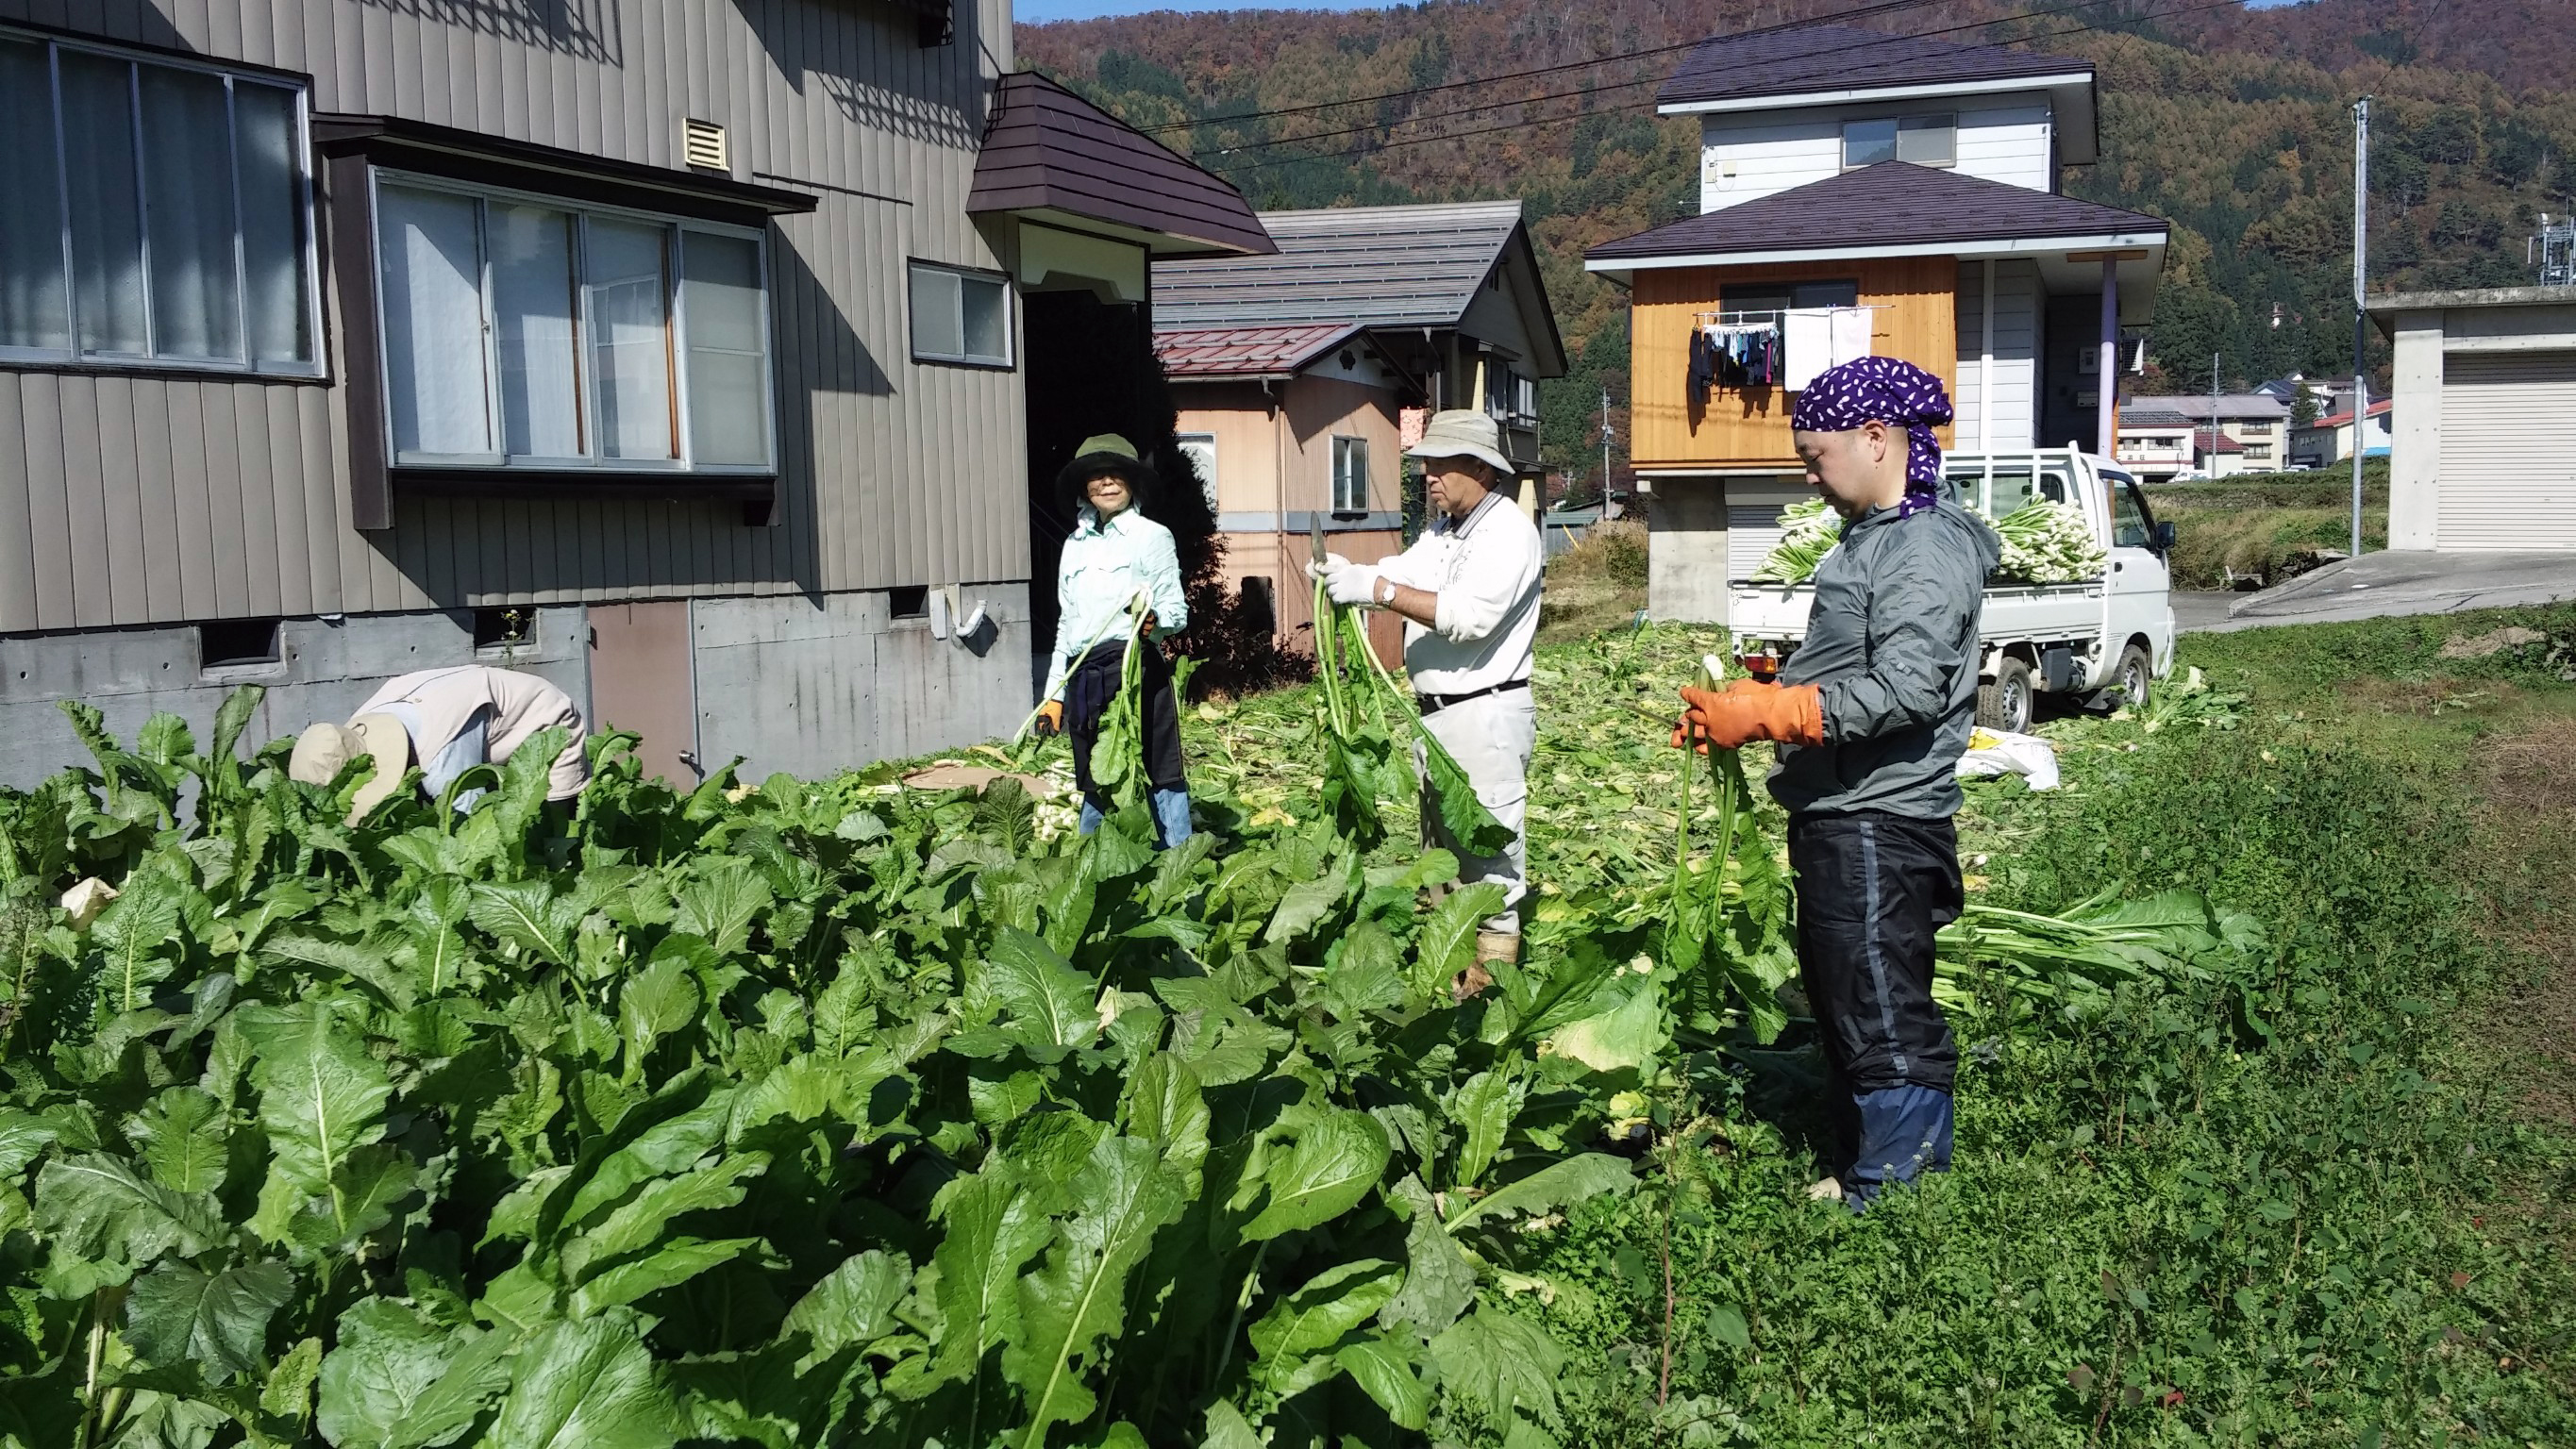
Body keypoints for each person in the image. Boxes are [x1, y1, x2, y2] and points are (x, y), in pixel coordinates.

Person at [1674, 357, 2000, 1210]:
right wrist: (1749, 701)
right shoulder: (1877, 536)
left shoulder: (1923, 548)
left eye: (1818, 456)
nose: (1808, 473)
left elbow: (1907, 688)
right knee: (1847, 990)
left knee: (1878, 1001)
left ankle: (1892, 1192)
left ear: (1876, 437)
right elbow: (1859, 662)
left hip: (1877, 817)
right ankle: (1873, 1160)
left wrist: (1774, 717)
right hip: (1846, 806)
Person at [1312, 409, 1543, 981]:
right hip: (1436, 714)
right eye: (1426, 465)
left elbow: (1468, 619)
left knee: (1488, 849)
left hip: (1483, 710)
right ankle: (1449, 973)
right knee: (1440, 851)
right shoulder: (1445, 530)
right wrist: (1356, 572)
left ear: (1481, 469)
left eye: (1441, 464)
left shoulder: (1508, 532)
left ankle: (1492, 982)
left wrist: (1378, 590)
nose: (1429, 476)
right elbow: (1401, 569)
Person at [1035, 433, 1194, 847]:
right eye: (1096, 476)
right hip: (1086, 674)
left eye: (1116, 475)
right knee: (1094, 775)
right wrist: (1055, 694)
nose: (1106, 483)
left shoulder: (1151, 536)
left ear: (1132, 482)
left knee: (1162, 771)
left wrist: (1152, 622)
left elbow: (1177, 613)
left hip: (1136, 666)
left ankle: (1181, 861)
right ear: (1084, 487)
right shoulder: (1074, 545)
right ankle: (1091, 864)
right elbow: (1067, 626)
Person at [289, 664, 589, 824]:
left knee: (554, 830)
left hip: (546, 718)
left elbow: (473, 826)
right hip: (466, 715)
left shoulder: (442, 766)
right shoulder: (362, 724)